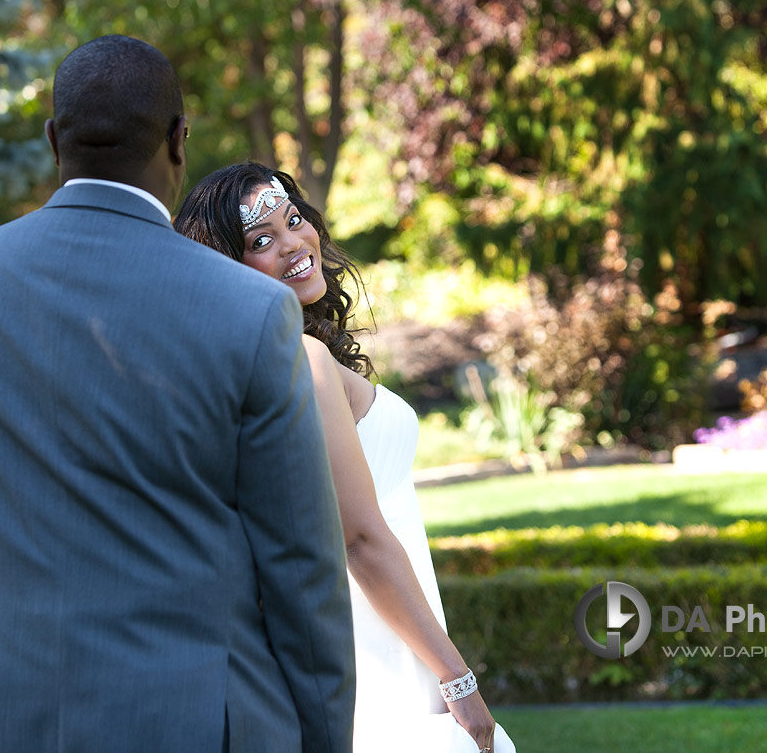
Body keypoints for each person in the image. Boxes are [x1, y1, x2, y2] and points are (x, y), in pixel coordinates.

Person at [0, 36, 356, 753]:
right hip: (191, 720)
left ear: (54, 139)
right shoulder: (249, 310)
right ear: (179, 140)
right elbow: (300, 566)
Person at [175, 163, 516, 753]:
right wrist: (457, 678)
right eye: (261, 241)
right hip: (379, 643)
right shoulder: (300, 358)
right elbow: (359, 540)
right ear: (228, 268)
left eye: (293, 220)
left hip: (380, 626)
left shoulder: (277, 354)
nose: (293, 245)